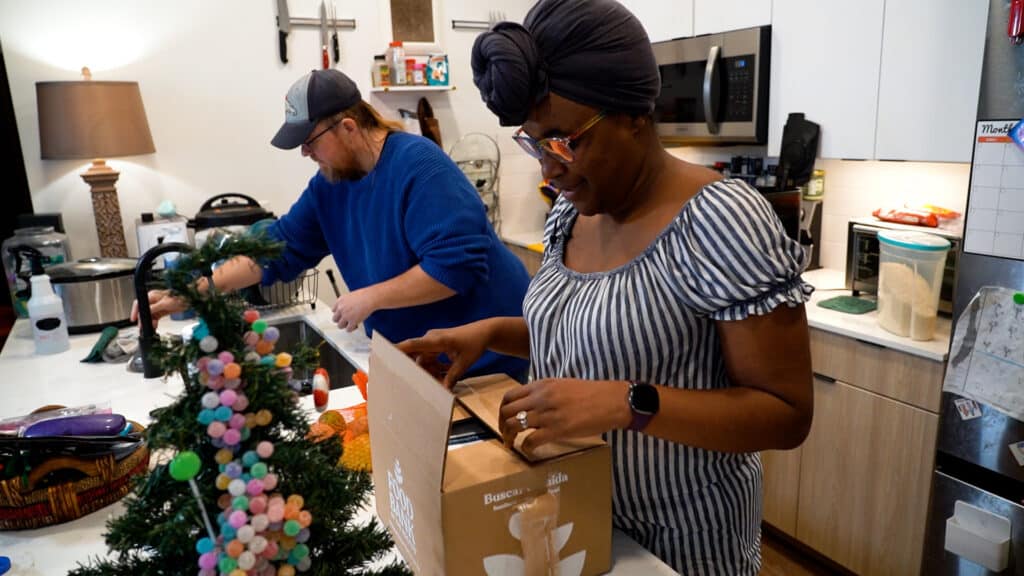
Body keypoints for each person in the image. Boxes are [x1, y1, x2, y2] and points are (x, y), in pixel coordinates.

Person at [397, 1, 815, 574]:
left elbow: (786, 414)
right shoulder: (573, 212)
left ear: (635, 115)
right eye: (535, 143)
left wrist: (628, 404)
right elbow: (590, 336)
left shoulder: (720, 219)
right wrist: (489, 334)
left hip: (682, 549)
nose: (549, 169)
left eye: (565, 141)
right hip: (576, 523)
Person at [134, 69, 530, 379]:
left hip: (486, 359)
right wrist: (194, 291)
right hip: (423, 360)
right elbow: (276, 249)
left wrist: (371, 296)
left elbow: (454, 267)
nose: (305, 152)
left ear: (348, 127)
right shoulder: (331, 186)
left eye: (310, 141)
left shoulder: (419, 166)